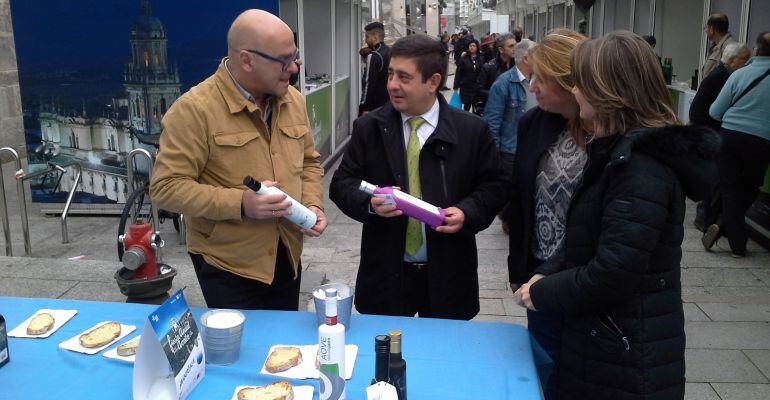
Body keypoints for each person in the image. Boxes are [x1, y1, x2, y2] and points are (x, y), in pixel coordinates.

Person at [514, 31, 719, 399]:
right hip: (610, 343)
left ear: (608, 91)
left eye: (582, 84)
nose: (575, 91)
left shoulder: (639, 169)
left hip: (621, 353)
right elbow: (589, 234)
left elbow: (613, 271)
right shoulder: (620, 154)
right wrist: (546, 270)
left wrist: (544, 291)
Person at [149, 10, 327, 310]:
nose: (294, 68)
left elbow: (309, 161)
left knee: (282, 350)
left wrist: (311, 204)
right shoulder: (194, 110)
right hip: (228, 265)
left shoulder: (292, 100)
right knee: (242, 352)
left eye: (295, 56)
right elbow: (165, 188)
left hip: (287, 253)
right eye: (284, 60)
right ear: (247, 60)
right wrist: (241, 203)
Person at [329, 34, 507, 320]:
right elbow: (341, 184)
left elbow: (495, 186)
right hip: (386, 274)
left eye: (404, 77)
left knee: (441, 359)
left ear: (433, 82)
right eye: (390, 75)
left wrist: (467, 212)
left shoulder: (471, 131)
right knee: (385, 357)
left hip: (448, 272)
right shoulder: (368, 127)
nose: (392, 85)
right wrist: (369, 203)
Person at [502, 29, 589, 400]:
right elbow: (521, 199)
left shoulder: (608, 130)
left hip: (588, 276)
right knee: (544, 369)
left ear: (570, 83)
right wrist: (518, 268)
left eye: (541, 78)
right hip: (540, 278)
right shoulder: (533, 123)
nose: (532, 86)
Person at [706, 32, 770, 258]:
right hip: (763, 141)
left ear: (756, 50)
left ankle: (735, 241)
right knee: (751, 186)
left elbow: (714, 111)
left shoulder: (739, 74)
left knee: (731, 189)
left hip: (730, 136)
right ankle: (727, 228)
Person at [690, 44, 750, 234]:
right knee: (715, 177)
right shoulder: (724, 77)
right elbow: (711, 109)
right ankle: (705, 219)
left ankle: (707, 218)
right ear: (732, 61)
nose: (748, 63)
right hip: (710, 130)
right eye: (745, 58)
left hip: (707, 129)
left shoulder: (722, 74)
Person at [483, 38, 537, 179]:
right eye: (536, 56)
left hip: (533, 150)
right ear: (526, 59)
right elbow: (492, 123)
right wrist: (495, 158)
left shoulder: (539, 81)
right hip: (510, 154)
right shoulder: (503, 84)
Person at [476, 33, 517, 115]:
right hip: (495, 111)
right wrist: (499, 95)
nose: (515, 49)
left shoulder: (519, 65)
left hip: (514, 112)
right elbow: (479, 90)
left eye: (516, 45)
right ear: (501, 50)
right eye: (511, 46)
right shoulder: (489, 67)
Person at [359, 21, 391, 116]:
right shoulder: (391, 52)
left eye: (367, 37)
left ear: (375, 37)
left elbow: (368, 84)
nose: (365, 40)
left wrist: (364, 107)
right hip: (389, 105)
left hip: (374, 108)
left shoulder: (374, 56)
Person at [702, 13, 738, 79]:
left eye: (706, 27)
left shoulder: (730, 48)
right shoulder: (716, 47)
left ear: (711, 29)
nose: (705, 31)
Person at [453, 39, 483, 112]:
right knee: (467, 104)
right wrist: (456, 86)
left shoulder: (481, 58)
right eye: (470, 46)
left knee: (476, 104)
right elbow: (459, 72)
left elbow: (483, 72)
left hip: (477, 85)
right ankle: (466, 118)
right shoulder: (464, 58)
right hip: (466, 86)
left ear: (477, 47)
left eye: (474, 46)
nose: (472, 47)